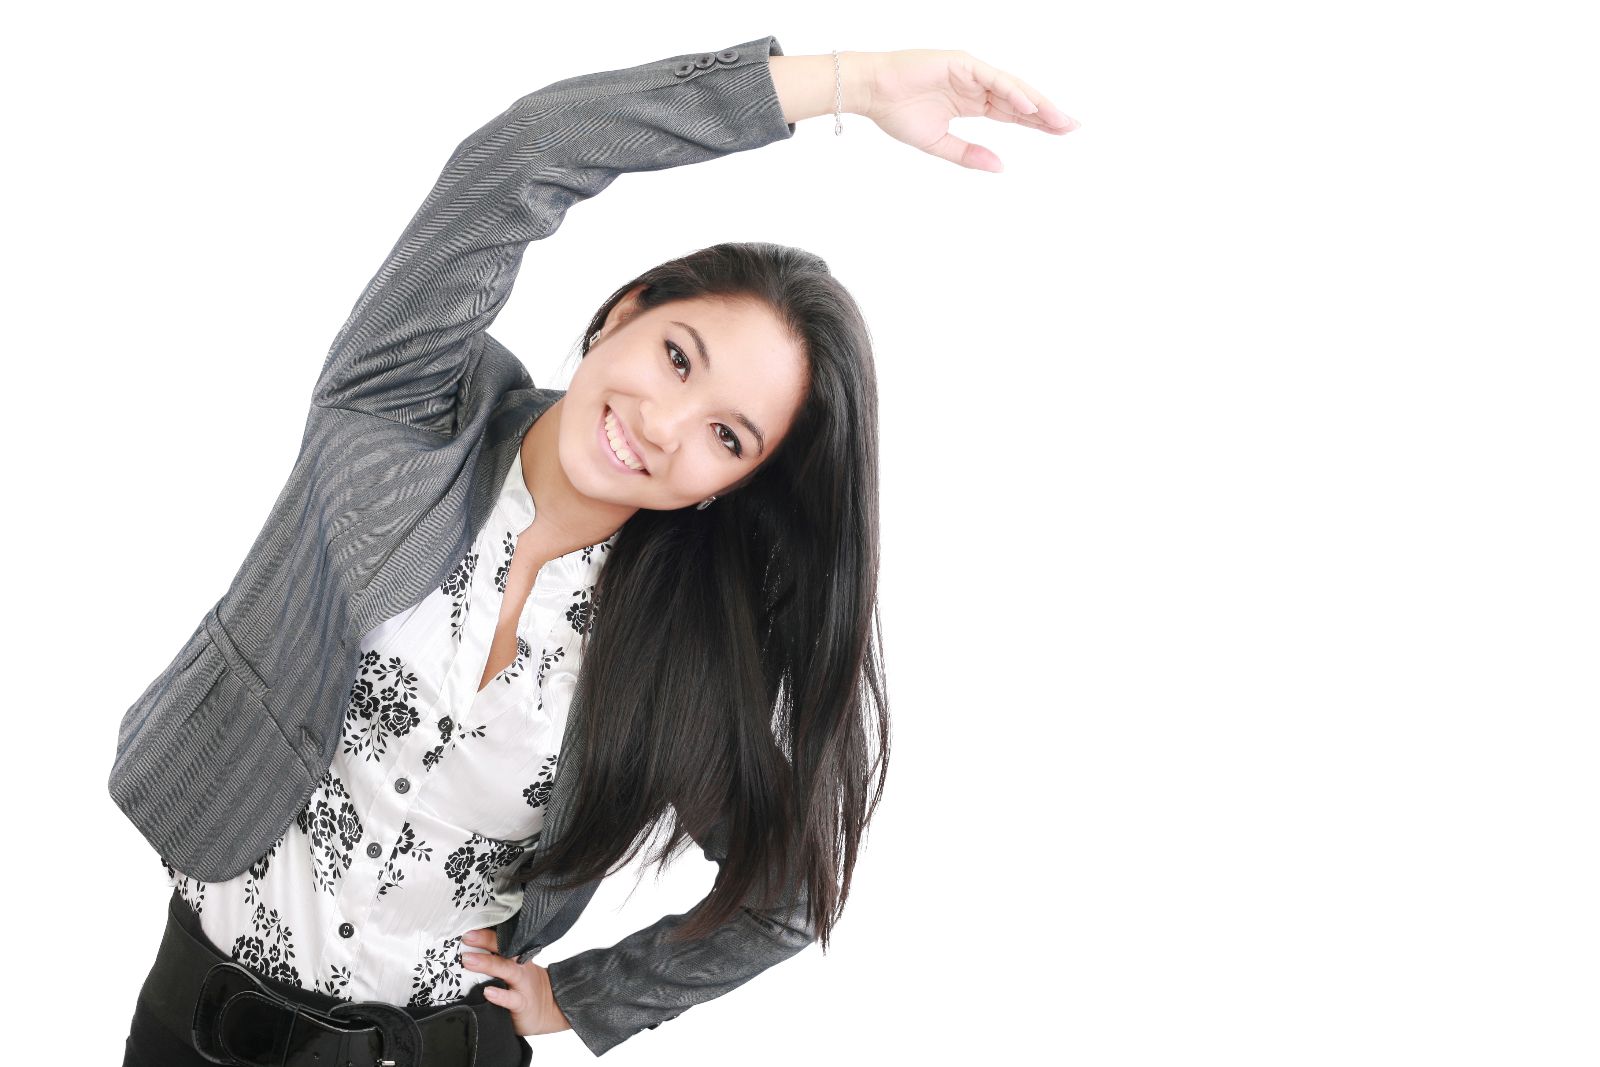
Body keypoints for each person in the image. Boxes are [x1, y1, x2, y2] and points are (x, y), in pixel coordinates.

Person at [113, 32, 1078, 1067]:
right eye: (676, 357)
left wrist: (579, 998)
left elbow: (787, 891)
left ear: (734, 484)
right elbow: (526, 155)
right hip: (203, 1021)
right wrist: (844, 86)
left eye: (727, 435)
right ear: (626, 310)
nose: (664, 426)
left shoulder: (675, 652)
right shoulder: (397, 412)